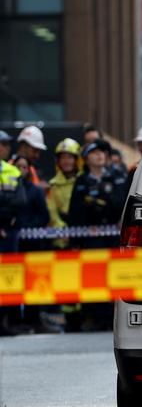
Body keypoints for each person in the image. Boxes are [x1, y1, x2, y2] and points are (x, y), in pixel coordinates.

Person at [68, 141, 128, 329]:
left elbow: (122, 204)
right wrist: (75, 240)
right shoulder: (81, 181)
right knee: (93, 276)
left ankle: (111, 318)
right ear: (86, 158)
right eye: (94, 153)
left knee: (113, 276)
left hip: (112, 236)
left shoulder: (117, 177)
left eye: (102, 152)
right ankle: (93, 317)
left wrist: (102, 202)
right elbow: (75, 212)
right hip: (91, 237)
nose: (100, 155)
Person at [12, 156, 57, 333]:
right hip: (14, 243)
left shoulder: (36, 191)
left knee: (32, 283)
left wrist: (30, 227)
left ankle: (33, 319)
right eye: (18, 166)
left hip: (32, 243)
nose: (21, 169)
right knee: (13, 282)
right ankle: (14, 321)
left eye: (24, 166)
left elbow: (44, 215)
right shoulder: (9, 189)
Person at [48, 138, 84, 332]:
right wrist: (64, 231)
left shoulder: (83, 180)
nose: (67, 161)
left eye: (70, 157)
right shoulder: (53, 185)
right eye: (63, 158)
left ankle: (84, 315)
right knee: (66, 280)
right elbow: (52, 212)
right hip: (62, 240)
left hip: (81, 239)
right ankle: (70, 319)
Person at [0, 156, 26, 335]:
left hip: (8, 234)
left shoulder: (11, 171)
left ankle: (5, 322)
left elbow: (19, 203)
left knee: (8, 280)